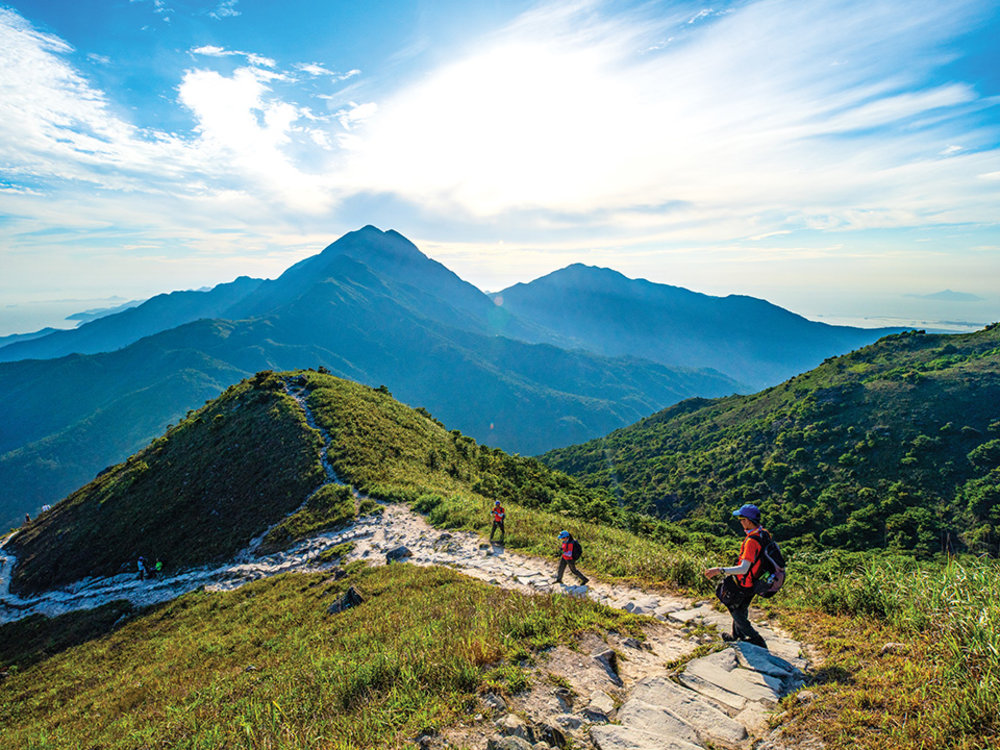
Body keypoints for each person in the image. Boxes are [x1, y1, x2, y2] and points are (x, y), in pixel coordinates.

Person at [703, 504, 769, 649]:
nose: (740, 521)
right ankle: (736, 636)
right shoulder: (763, 533)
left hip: (745, 582)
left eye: (741, 518)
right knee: (741, 607)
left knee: (736, 612)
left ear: (749, 520)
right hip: (755, 580)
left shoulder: (751, 541)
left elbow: (743, 569)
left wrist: (719, 570)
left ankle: (756, 639)